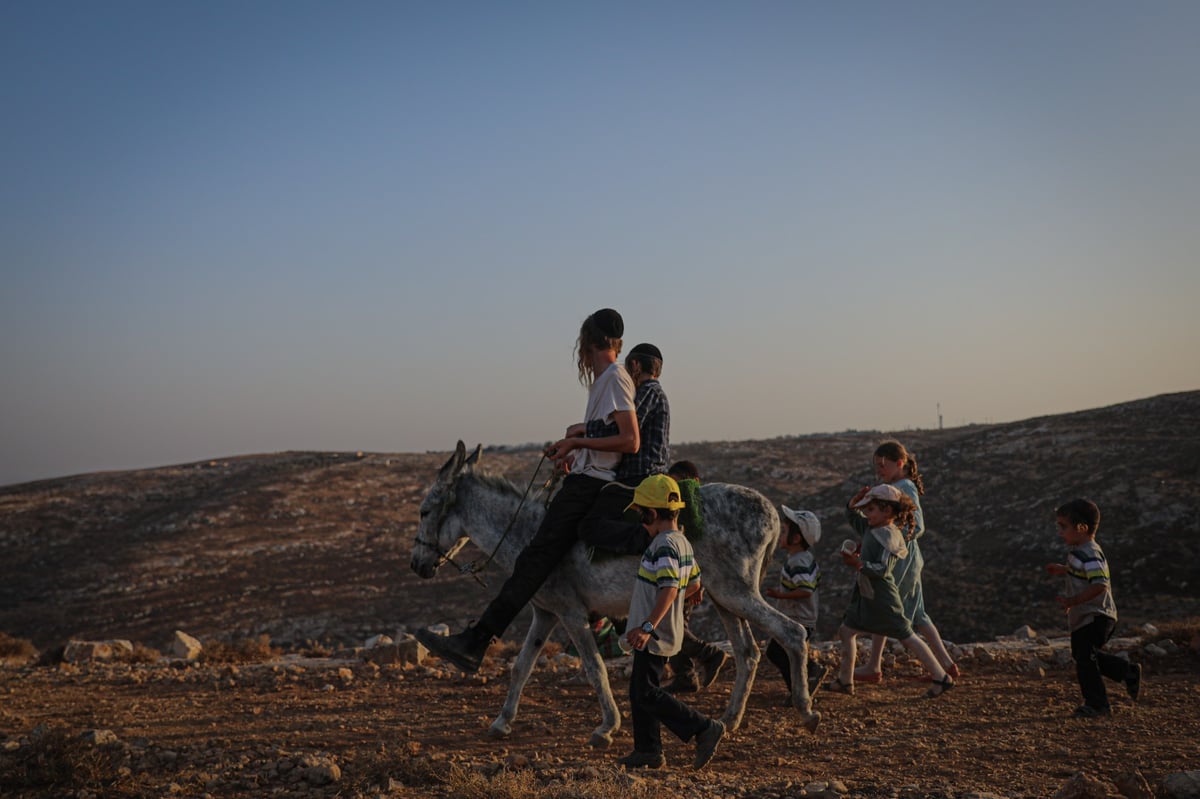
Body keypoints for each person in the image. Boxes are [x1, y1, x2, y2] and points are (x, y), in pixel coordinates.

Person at [416, 309, 639, 673]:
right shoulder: (605, 381)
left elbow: (630, 439)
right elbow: (608, 439)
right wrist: (576, 446)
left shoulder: (614, 378)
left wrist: (576, 445)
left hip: (590, 486)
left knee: (533, 560)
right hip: (584, 479)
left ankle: (477, 640)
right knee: (537, 559)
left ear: (590, 340)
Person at [617, 474, 726, 771]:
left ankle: (704, 728)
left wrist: (648, 626)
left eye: (642, 516)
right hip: (664, 631)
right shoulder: (682, 542)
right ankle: (648, 750)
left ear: (652, 514)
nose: (641, 523)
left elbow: (669, 589)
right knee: (640, 691)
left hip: (653, 633)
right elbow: (694, 585)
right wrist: (679, 599)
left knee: (647, 692)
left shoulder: (663, 545)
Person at [829, 484, 955, 698]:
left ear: (887, 511)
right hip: (866, 594)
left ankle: (940, 676)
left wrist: (858, 564)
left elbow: (883, 569)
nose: (866, 514)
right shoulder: (871, 527)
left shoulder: (890, 537)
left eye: (870, 510)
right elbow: (853, 517)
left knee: (907, 636)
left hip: (882, 596)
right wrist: (853, 502)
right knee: (847, 630)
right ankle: (845, 680)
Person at [854, 440, 958, 684]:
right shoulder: (896, 486)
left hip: (901, 560)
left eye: (883, 465)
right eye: (876, 465)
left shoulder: (903, 487)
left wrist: (889, 543)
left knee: (887, 607)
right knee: (918, 614)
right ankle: (946, 664)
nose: (879, 470)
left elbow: (917, 526)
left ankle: (875, 666)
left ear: (899, 463)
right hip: (907, 559)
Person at [1045, 498, 1141, 718]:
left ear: (1081, 528)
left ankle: (1097, 704)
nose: (1060, 532)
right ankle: (1126, 672)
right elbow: (1081, 572)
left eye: (1063, 526)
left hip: (1097, 616)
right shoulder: (1080, 551)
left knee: (1085, 657)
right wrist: (1063, 570)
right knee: (1084, 655)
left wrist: (1074, 601)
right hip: (1088, 616)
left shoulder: (1090, 552)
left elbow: (1100, 583)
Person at [578, 342, 671, 556]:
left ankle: (648, 539)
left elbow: (620, 430)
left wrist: (583, 430)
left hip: (639, 477)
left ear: (636, 365)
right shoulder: (654, 392)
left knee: (589, 525)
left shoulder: (648, 391)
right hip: (643, 474)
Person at [660, 460, 728, 694]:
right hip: (682, 578)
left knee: (672, 627)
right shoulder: (685, 511)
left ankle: (708, 654)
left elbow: (698, 551)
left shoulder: (694, 514)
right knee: (674, 625)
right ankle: (685, 676)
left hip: (686, 580)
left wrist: (698, 585)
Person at [764, 506, 827, 699]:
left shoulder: (797, 562)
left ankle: (802, 688)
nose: (780, 535)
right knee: (785, 653)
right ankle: (802, 686)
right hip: (800, 618)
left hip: (797, 619)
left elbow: (805, 591)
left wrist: (780, 596)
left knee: (778, 653)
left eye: (784, 531)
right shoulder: (802, 558)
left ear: (797, 538)